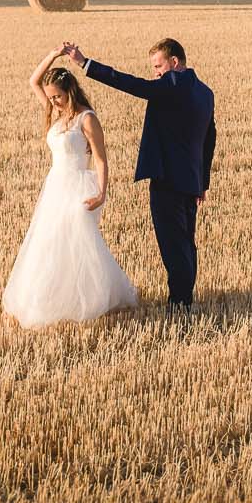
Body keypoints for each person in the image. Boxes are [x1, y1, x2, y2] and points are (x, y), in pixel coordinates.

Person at [67, 37, 215, 310]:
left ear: (174, 62)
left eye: (158, 66)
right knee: (186, 243)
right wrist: (202, 182)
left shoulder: (171, 84)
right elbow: (210, 139)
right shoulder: (205, 92)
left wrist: (85, 64)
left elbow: (131, 84)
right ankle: (185, 297)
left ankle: (180, 303)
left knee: (173, 246)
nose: (155, 73)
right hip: (191, 181)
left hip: (167, 180)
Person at [0, 47, 139, 330]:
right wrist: (53, 55)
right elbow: (33, 81)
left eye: (58, 97)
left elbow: (100, 158)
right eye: (51, 97)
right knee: (48, 242)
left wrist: (101, 193)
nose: (53, 102)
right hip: (54, 186)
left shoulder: (86, 118)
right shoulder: (55, 113)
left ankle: (90, 297)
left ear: (70, 91)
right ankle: (49, 298)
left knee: (79, 242)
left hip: (79, 186)